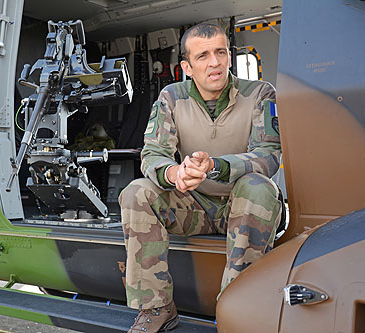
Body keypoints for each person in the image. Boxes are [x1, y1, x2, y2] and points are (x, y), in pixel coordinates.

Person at [119, 22, 282, 332]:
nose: (214, 62)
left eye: (221, 52)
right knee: (136, 192)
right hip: (192, 207)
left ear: (230, 57)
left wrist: (215, 166)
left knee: (259, 187)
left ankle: (238, 310)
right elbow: (152, 154)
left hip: (242, 205)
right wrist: (175, 173)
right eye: (203, 56)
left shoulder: (260, 93)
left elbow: (269, 154)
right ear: (187, 66)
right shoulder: (171, 97)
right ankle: (157, 308)